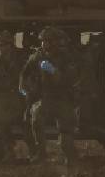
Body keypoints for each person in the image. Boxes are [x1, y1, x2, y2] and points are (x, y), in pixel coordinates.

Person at [20, 26, 83, 165]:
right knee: (35, 119)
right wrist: (24, 89)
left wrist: (54, 71)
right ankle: (41, 153)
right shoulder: (38, 56)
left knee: (66, 134)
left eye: (48, 41)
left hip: (63, 98)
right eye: (42, 41)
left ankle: (70, 157)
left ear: (54, 42)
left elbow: (71, 78)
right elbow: (24, 73)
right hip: (45, 97)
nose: (44, 44)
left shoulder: (66, 57)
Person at [0, 30, 37, 162]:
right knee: (3, 124)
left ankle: (35, 152)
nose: (1, 48)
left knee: (26, 123)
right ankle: (9, 151)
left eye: (3, 45)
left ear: (10, 45)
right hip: (4, 95)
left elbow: (31, 73)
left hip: (20, 93)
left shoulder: (21, 57)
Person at [78, 32, 105, 157]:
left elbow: (88, 76)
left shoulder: (87, 56)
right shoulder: (91, 54)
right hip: (84, 93)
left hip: (85, 94)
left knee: (84, 125)